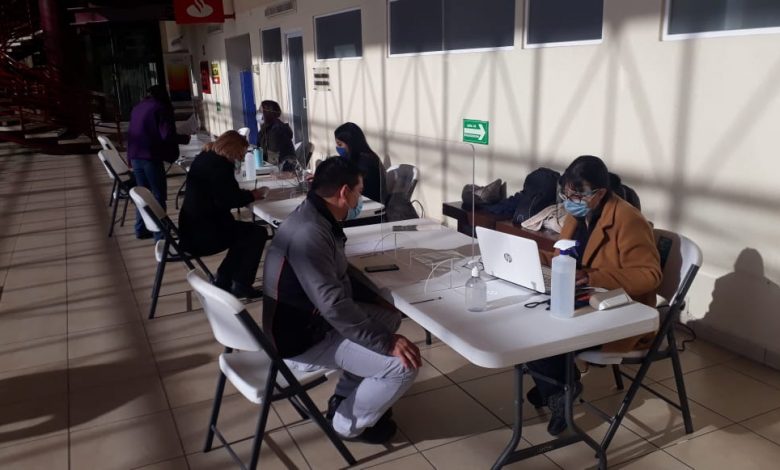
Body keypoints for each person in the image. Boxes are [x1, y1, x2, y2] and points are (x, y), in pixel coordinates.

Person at [262, 157, 421, 444]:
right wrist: (387, 343)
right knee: (403, 365)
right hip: (301, 340)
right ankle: (345, 425)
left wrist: (375, 299)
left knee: (389, 317)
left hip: (312, 322)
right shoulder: (310, 233)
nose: (360, 198)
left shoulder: (315, 216)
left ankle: (344, 394)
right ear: (344, 192)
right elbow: (333, 305)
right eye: (359, 191)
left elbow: (337, 275)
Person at [528, 155, 662, 436]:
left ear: (600, 193)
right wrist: (530, 257)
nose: (570, 200)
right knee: (525, 317)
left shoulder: (628, 220)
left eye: (577, 195)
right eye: (566, 194)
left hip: (617, 308)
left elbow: (649, 275)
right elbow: (563, 258)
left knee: (540, 331)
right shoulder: (577, 215)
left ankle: (559, 388)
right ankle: (557, 383)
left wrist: (592, 277)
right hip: (582, 295)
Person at [178, 131, 268, 299]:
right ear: (232, 149)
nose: (241, 157)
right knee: (257, 233)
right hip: (204, 235)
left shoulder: (205, 156)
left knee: (245, 234)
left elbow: (223, 193)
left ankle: (225, 280)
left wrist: (243, 194)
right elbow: (230, 200)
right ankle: (240, 284)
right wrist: (252, 195)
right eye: (240, 153)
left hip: (191, 228)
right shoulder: (220, 166)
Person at [127, 85, 191, 240]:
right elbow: (166, 135)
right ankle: (160, 234)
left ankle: (141, 228)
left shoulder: (138, 107)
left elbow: (132, 133)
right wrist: (185, 137)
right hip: (150, 156)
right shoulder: (160, 108)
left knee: (143, 195)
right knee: (157, 196)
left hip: (135, 155)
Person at [334, 122, 387, 204]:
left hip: (369, 203)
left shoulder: (365, 162)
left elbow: (355, 186)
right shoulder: (356, 158)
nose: (337, 148)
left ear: (350, 143)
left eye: (340, 144)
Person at [258, 100, 296, 165]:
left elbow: (273, 161)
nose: (258, 114)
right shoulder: (266, 129)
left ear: (267, 114)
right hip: (277, 166)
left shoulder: (276, 131)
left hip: (284, 169)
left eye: (260, 112)